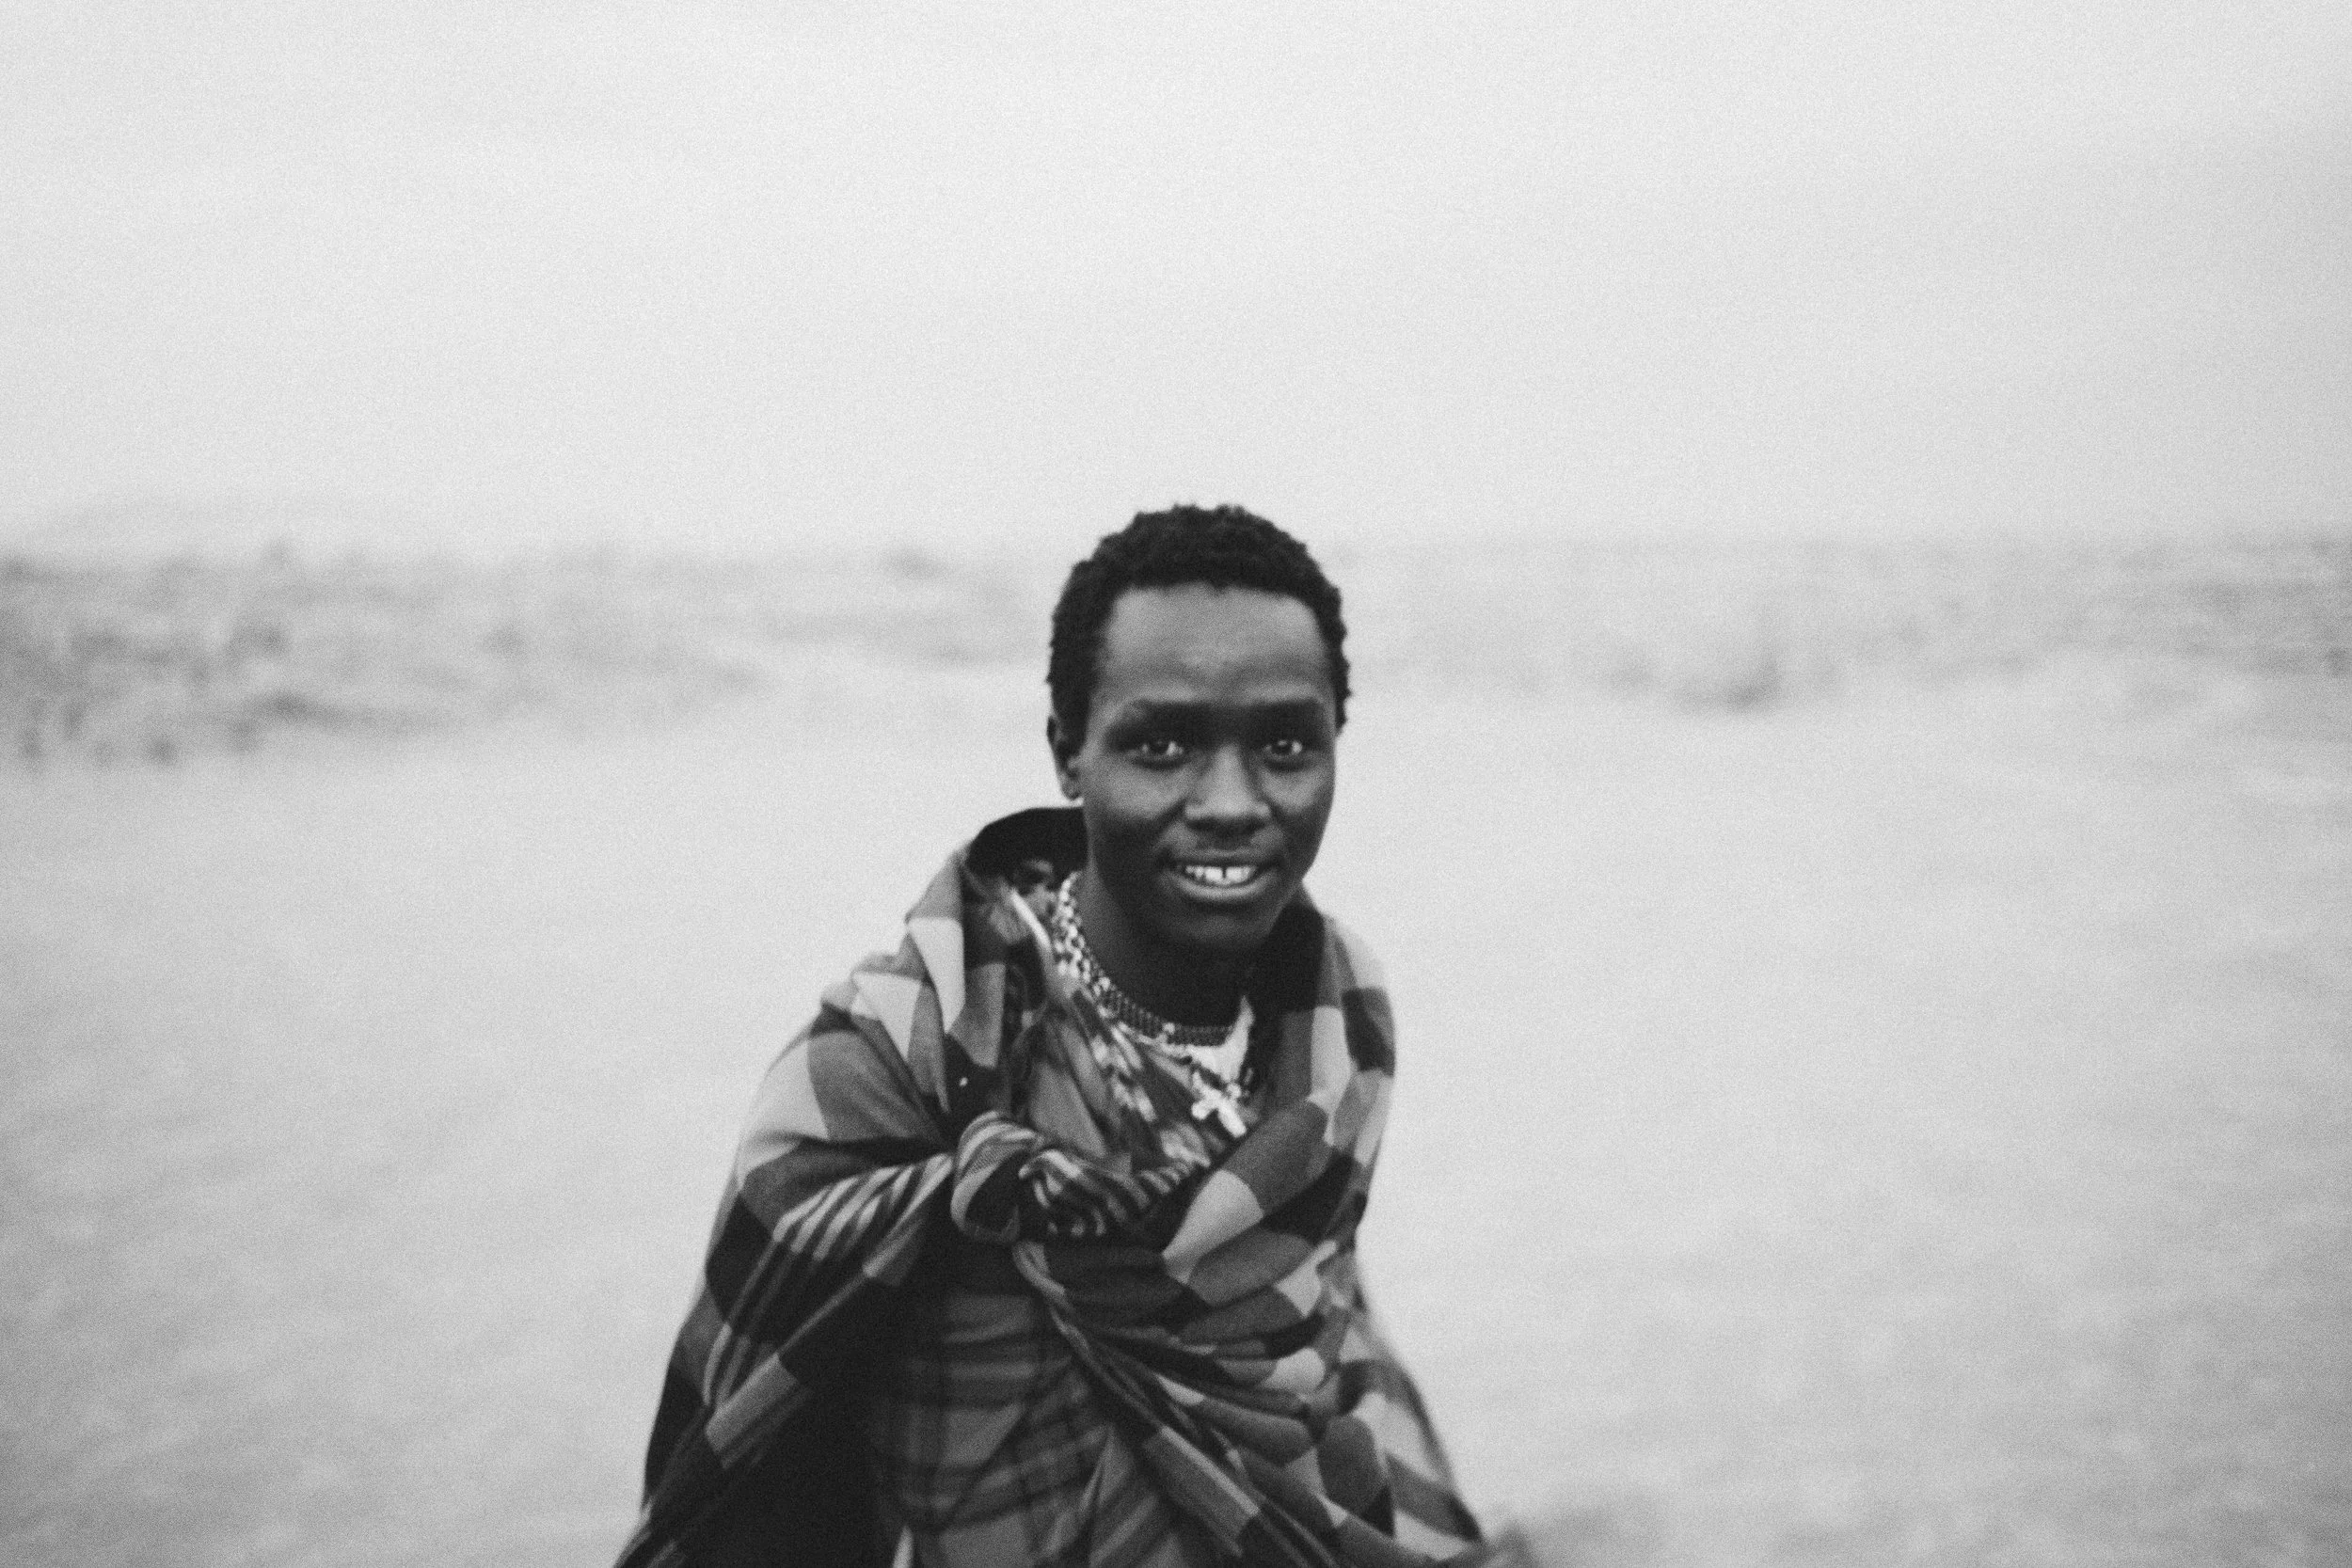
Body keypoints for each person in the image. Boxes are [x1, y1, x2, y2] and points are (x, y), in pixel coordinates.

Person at [620, 506, 1494, 1567]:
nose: (1231, 801)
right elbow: (759, 1478)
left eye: (1283, 744)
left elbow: (1320, 1341)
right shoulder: (898, 1062)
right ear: (1067, 750)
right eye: (1160, 743)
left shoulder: (1338, 1023)